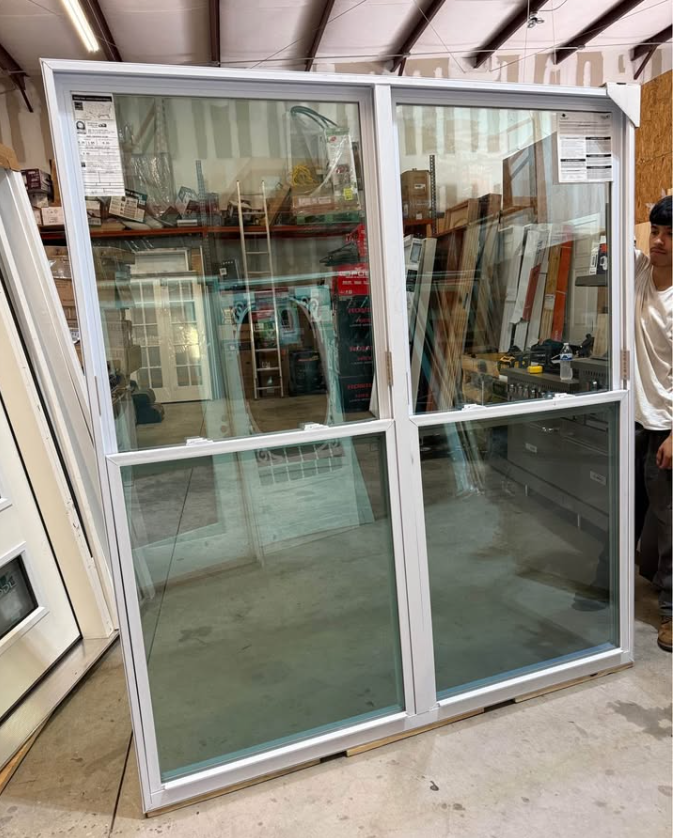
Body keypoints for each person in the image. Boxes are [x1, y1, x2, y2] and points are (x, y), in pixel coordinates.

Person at [634, 196, 672, 651]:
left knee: (668, 523)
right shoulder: (641, 271)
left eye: (670, 236)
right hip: (636, 417)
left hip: (666, 425)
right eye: (655, 232)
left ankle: (671, 612)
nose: (659, 242)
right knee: (630, 508)